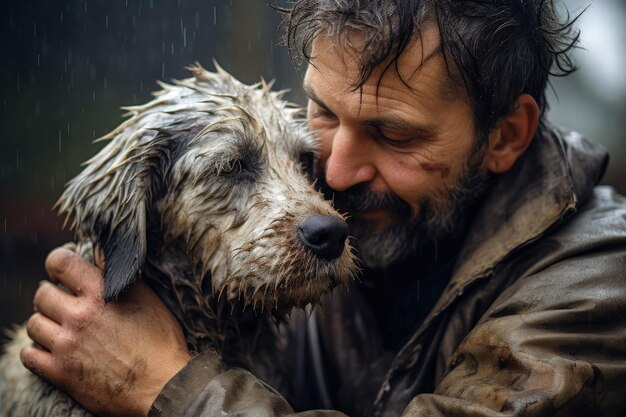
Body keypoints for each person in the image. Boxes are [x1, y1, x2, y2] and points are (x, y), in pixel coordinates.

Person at [20, 1, 626, 416]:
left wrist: (164, 388)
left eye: (393, 134)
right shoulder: (340, 225)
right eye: (323, 115)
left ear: (505, 136)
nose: (331, 175)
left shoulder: (595, 286)